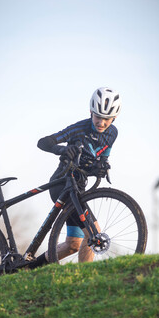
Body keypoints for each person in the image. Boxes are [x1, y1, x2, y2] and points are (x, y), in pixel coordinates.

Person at [29, 87, 122, 268]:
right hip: (62, 184)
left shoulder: (113, 133)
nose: (101, 122)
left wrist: (101, 167)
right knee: (93, 234)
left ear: (114, 118)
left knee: (73, 245)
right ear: (90, 112)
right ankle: (85, 279)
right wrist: (62, 149)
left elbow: (101, 155)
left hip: (78, 188)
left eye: (106, 119)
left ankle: (28, 267)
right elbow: (43, 142)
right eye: (97, 116)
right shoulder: (79, 128)